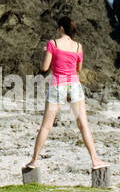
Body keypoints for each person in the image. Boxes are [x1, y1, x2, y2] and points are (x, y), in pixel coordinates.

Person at [23, 16, 107, 172]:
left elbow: (44, 67)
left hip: (58, 85)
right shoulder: (78, 46)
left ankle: (34, 160)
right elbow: (79, 69)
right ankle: (95, 159)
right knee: (83, 125)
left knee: (46, 126)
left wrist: (44, 54)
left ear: (61, 28)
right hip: (74, 85)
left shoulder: (52, 44)